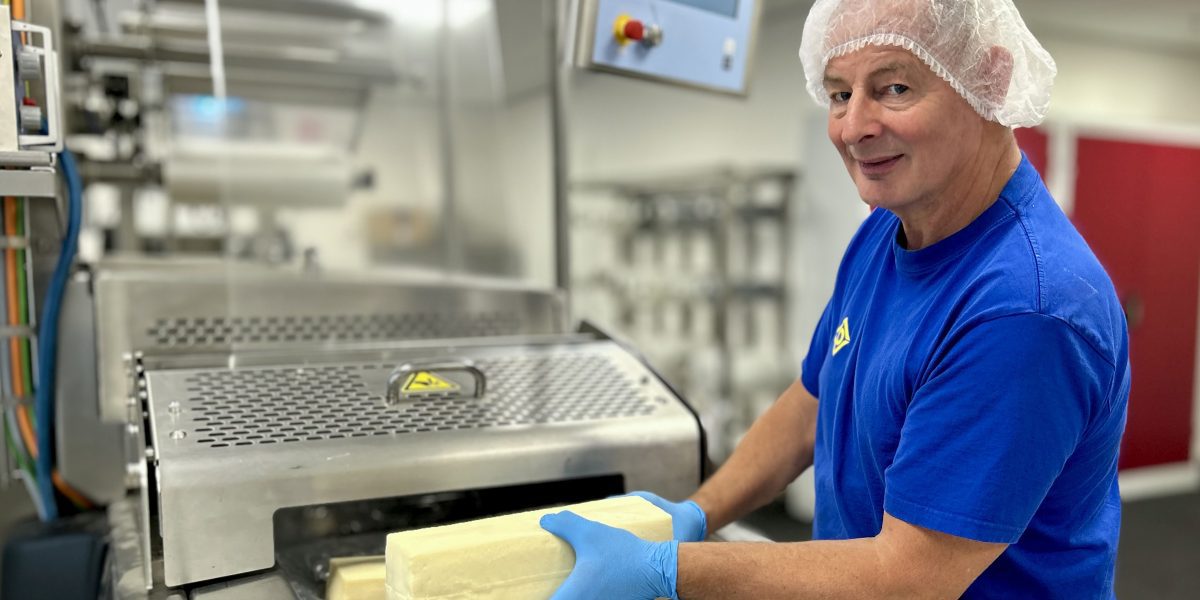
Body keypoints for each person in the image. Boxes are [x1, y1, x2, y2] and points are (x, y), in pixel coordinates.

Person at [540, 0, 1130, 597]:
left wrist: (667, 569)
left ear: (990, 80)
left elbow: (909, 578)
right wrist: (697, 511)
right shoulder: (888, 229)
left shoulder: (1021, 309)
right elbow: (813, 401)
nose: (854, 128)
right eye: (840, 95)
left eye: (894, 88)